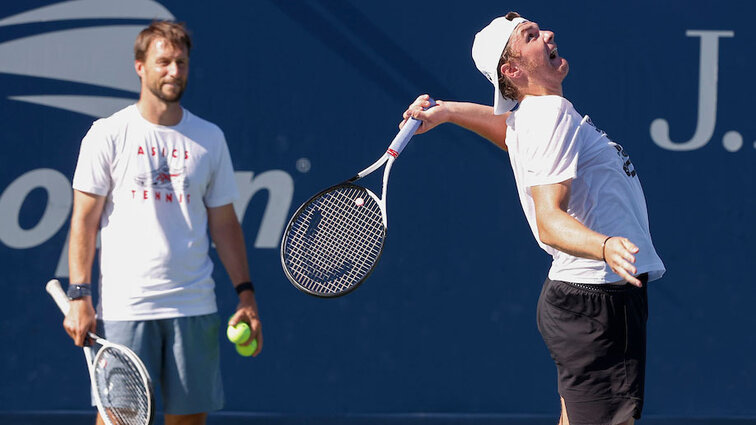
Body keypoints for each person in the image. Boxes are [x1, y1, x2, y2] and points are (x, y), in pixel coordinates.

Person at [401, 12, 665, 425]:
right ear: (513, 69)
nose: (548, 33)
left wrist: (448, 110)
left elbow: (509, 130)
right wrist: (605, 245)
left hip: (583, 299)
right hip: (597, 299)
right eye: (531, 35)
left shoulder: (534, 116)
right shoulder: (549, 114)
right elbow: (548, 220)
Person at [62, 21, 262, 425]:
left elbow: (225, 224)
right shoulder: (108, 134)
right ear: (140, 66)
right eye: (164, 62)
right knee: (119, 419)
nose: (174, 71)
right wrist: (79, 293)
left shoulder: (209, 138)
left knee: (188, 421)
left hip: (194, 305)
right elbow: (83, 221)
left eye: (181, 63)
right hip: (126, 306)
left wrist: (245, 294)